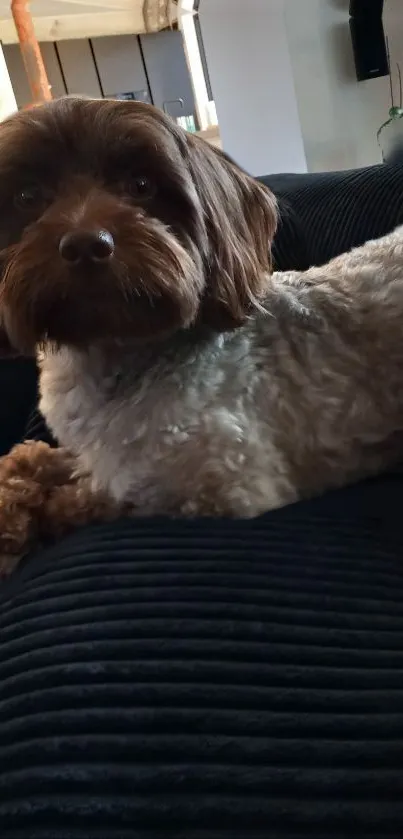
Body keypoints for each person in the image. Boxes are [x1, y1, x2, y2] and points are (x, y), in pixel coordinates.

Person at [1, 160, 403, 839]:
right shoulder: (66, 384)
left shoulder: (214, 369)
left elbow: (220, 488)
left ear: (211, 223)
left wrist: (57, 503)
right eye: (33, 198)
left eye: (136, 187)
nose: (83, 232)